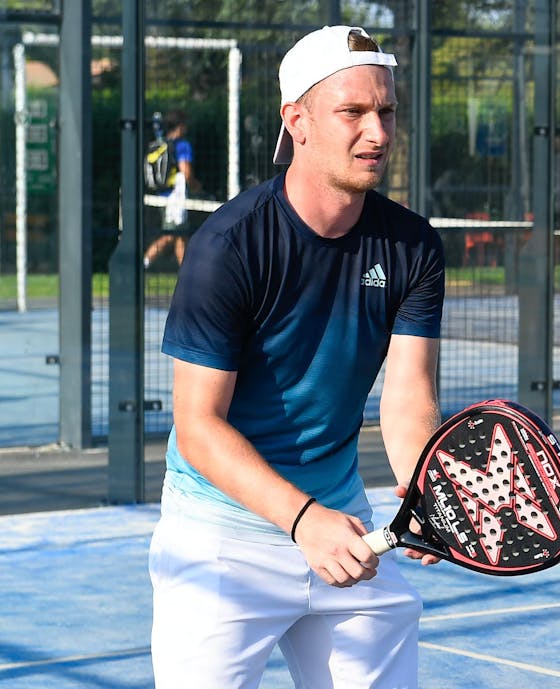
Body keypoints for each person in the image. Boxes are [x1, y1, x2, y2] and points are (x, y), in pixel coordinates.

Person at [149, 26, 445, 688]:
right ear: (298, 121)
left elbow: (407, 398)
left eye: (386, 111)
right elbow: (198, 426)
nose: (378, 132)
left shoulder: (413, 247)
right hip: (219, 537)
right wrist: (302, 519)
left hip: (343, 522)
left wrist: (425, 485)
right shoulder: (228, 247)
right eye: (353, 112)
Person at [143, 110, 198, 268]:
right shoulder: (182, 145)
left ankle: (186, 275)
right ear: (180, 126)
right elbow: (186, 172)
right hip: (176, 197)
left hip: (162, 195)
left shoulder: (161, 145)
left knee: (180, 235)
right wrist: (195, 186)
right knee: (171, 234)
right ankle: (144, 262)